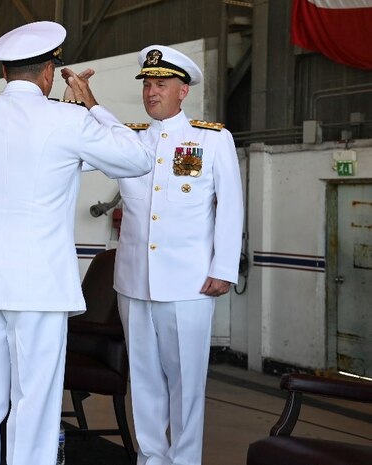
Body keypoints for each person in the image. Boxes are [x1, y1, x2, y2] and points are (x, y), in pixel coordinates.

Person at [0, 20, 153, 465]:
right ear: (50, 73)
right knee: (34, 400)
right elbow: (137, 158)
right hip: (38, 286)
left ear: (3, 73)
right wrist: (92, 105)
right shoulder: (68, 120)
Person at [114, 45, 244, 465]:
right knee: (145, 380)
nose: (152, 92)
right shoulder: (131, 139)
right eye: (148, 84)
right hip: (134, 282)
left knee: (186, 384)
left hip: (190, 283)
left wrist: (223, 267)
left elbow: (231, 206)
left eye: (162, 84)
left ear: (183, 91)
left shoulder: (212, 138)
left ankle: (185, 461)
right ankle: (151, 457)